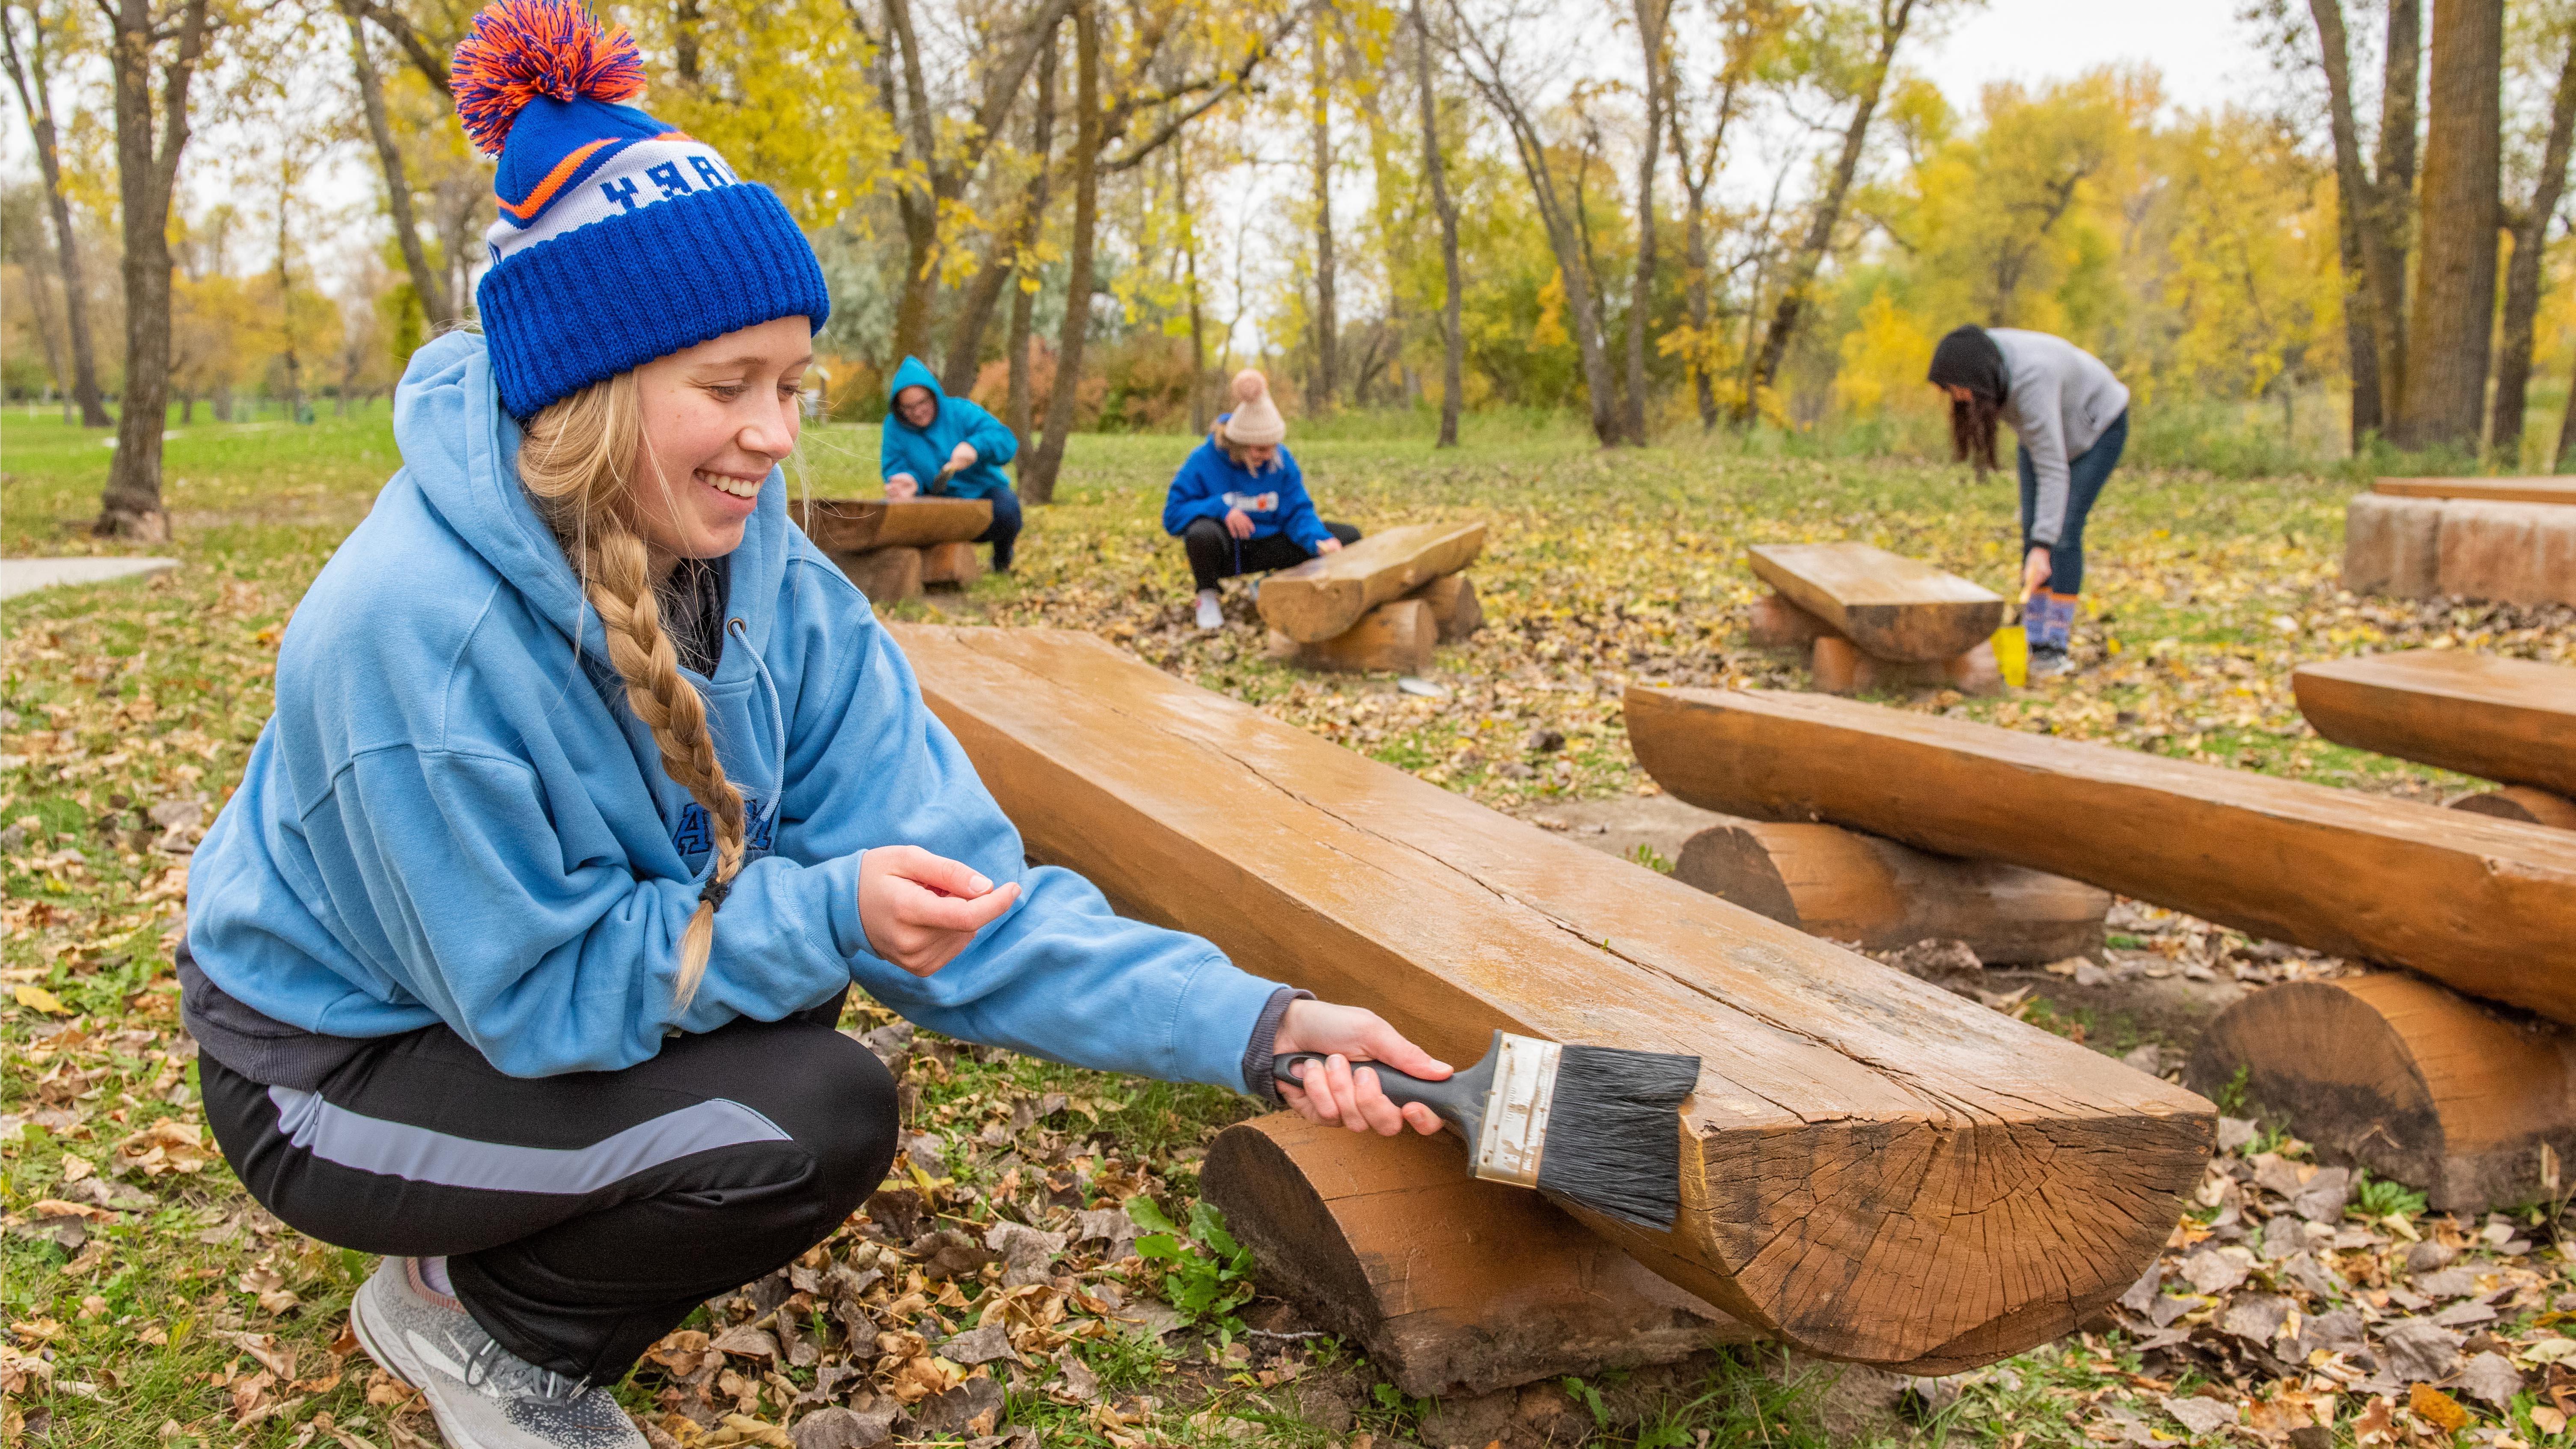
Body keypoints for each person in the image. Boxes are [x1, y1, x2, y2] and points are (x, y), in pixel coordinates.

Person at [180, 9, 1448, 1448]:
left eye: (792, 385)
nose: (776, 437)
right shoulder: (405, 634)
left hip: (532, 997)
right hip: (333, 1066)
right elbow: (530, 1003)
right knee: (804, 1105)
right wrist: (819, 910)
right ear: (582, 392)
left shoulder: (768, 575)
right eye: (725, 388)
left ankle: (500, 1254)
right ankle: (472, 1324)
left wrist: (1261, 1023)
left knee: (791, 1022)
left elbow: (970, 899)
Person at [1927, 324, 2130, 677]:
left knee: (2062, 532)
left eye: (1960, 390)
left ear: (1979, 379)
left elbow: (2053, 469)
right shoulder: (1985, 359)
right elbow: (2039, 446)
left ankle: (2053, 648)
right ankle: (2032, 640)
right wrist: (2036, 535)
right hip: (2050, 428)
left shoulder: (2032, 381)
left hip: (2097, 427)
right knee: (2034, 528)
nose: (1958, 398)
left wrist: (2043, 543)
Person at [1163, 369, 1358, 630]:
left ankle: (1274, 584)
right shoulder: (1203, 460)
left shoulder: (1281, 460)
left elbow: (1297, 510)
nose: (1268, 455)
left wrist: (1319, 541)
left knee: (1347, 536)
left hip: (1270, 544)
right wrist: (1220, 508)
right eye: (1260, 449)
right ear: (1240, 444)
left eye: (1272, 448)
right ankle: (1207, 596)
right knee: (1201, 533)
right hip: (1228, 550)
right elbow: (1173, 515)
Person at [879, 355, 1021, 571]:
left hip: (982, 492)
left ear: (934, 395)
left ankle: (1002, 558)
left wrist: (975, 447)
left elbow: (1006, 441)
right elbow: (895, 464)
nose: (917, 412)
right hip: (932, 498)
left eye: (922, 402)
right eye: (908, 407)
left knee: (1008, 510)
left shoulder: (961, 411)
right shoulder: (894, 427)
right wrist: (909, 480)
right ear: (898, 408)